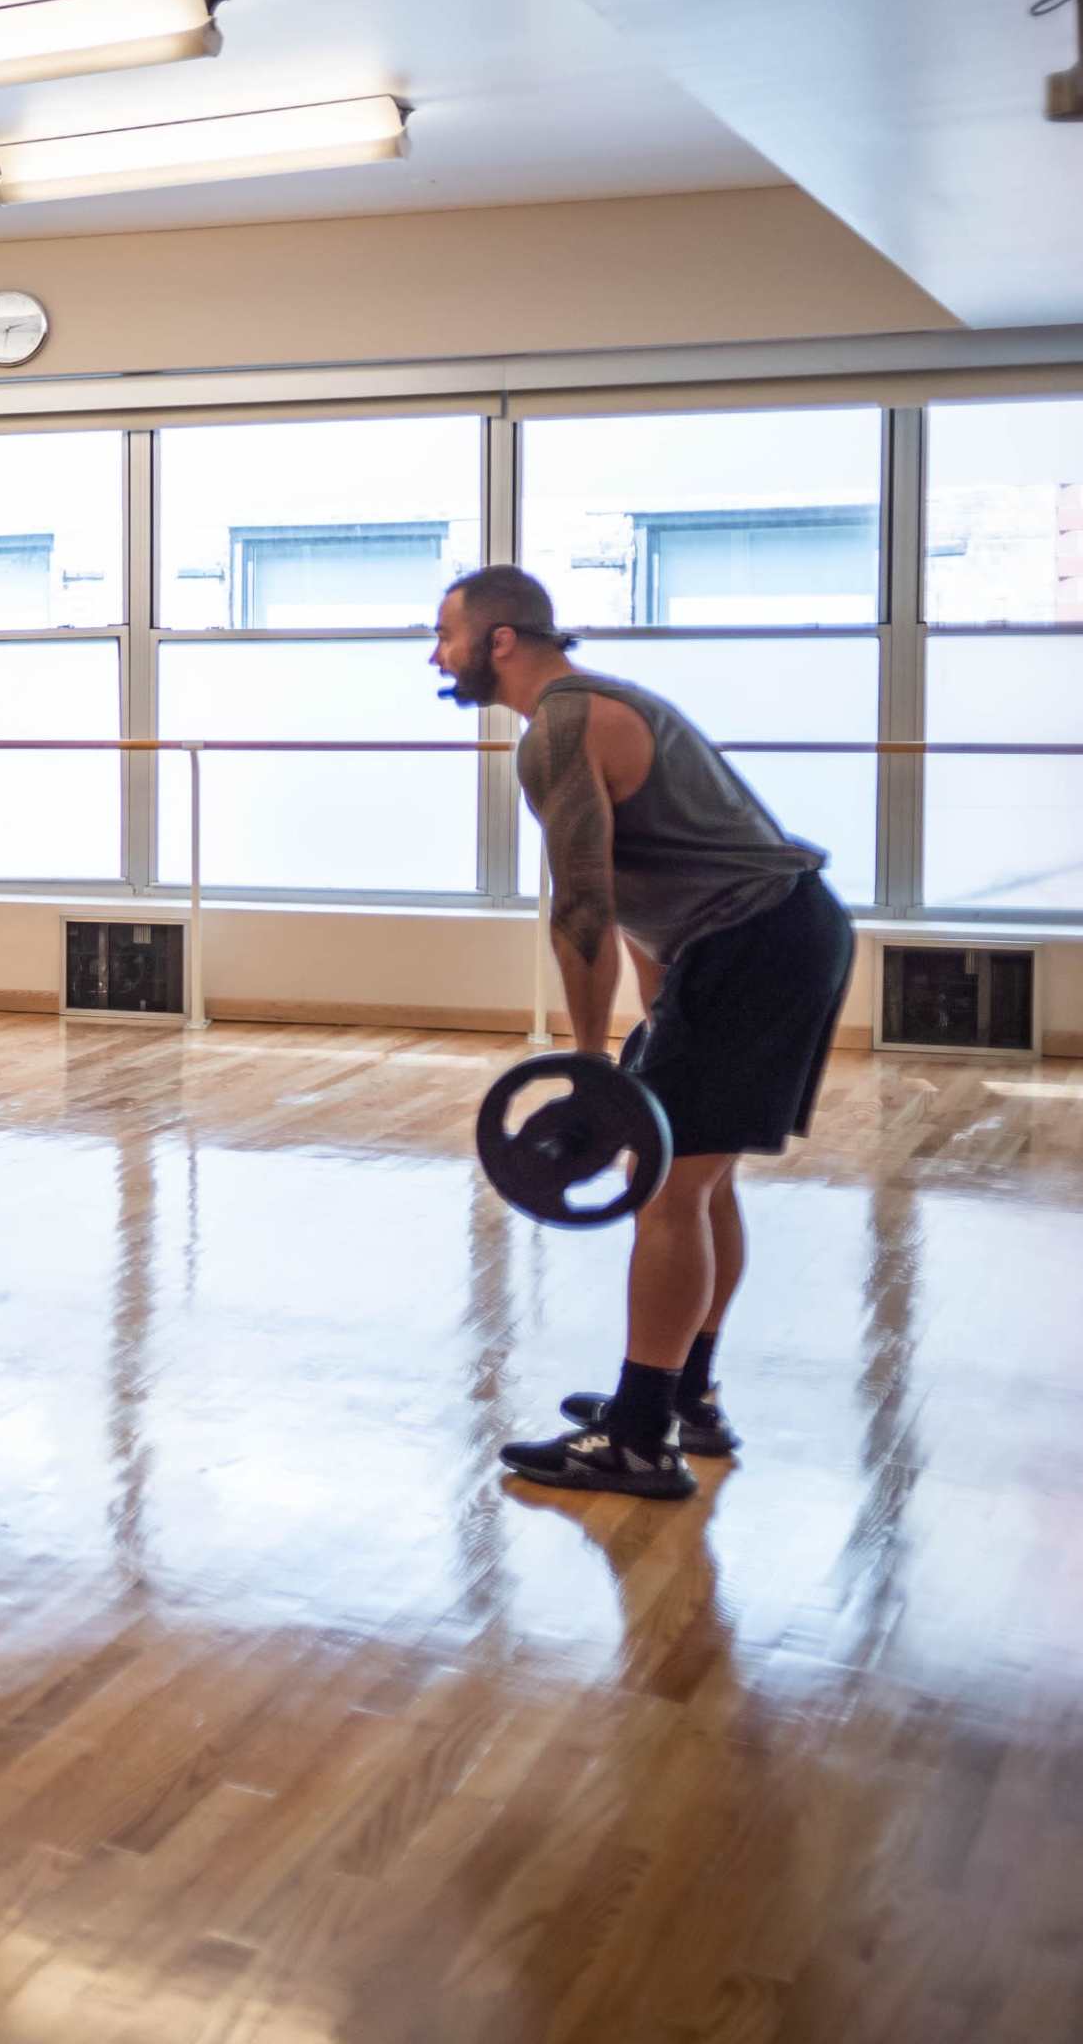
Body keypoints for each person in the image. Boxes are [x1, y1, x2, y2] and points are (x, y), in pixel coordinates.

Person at [433, 565, 856, 1501]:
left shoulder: (558, 731)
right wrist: (655, 1022)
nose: (437, 653)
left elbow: (583, 905)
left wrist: (589, 1064)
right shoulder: (603, 707)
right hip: (777, 933)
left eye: (447, 633)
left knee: (666, 1185)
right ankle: (685, 1394)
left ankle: (636, 1437)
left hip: (755, 943)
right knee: (700, 1178)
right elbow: (643, 907)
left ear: (500, 640)